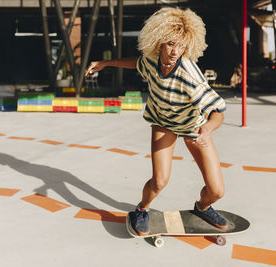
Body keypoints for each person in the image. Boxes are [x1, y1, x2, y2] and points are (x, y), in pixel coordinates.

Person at [85, 7, 228, 236]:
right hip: (162, 123)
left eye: (181, 46)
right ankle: (142, 209)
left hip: (193, 127)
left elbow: (218, 110)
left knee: (217, 190)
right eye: (171, 44)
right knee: (159, 181)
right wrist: (105, 63)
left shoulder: (190, 75)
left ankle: (202, 207)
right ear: (159, 41)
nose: (175, 51)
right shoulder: (152, 61)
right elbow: (136, 63)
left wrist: (207, 130)